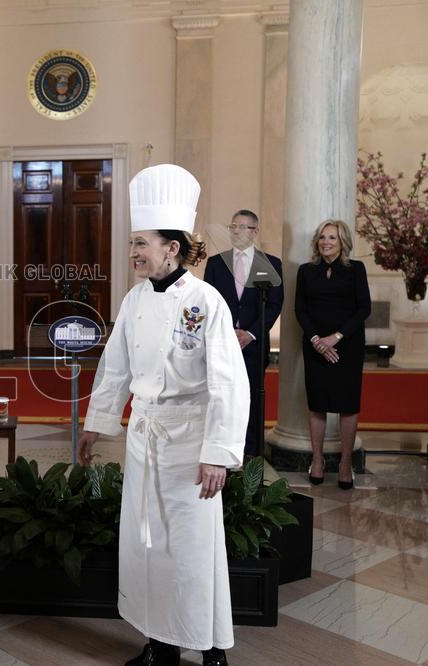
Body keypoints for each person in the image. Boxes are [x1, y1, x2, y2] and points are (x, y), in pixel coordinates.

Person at [77, 165, 249, 666]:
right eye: (133, 243)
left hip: (191, 445)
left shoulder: (205, 301)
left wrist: (218, 454)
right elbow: (115, 368)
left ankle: (210, 647)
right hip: (145, 439)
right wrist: (96, 424)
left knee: (191, 550)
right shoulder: (133, 299)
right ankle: (160, 643)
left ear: (172, 248)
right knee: (147, 547)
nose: (133, 252)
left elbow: (228, 384)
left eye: (141, 243)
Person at [294, 219, 371, 490]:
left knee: (348, 405)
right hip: (315, 346)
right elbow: (300, 309)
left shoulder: (356, 269)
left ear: (342, 242)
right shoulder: (306, 271)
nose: (325, 242)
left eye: (332, 238)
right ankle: (317, 460)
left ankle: (345, 464)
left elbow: (364, 309)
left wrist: (335, 338)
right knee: (317, 403)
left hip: (347, 346)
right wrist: (317, 341)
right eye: (322, 237)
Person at [203, 209, 283, 457]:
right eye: (233, 226)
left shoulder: (270, 264)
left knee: (252, 396)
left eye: (242, 226)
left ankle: (251, 450)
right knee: (222, 395)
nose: (235, 230)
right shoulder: (216, 263)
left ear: (255, 232)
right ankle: (221, 446)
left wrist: (251, 333)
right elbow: (208, 302)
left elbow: (275, 304)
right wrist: (225, 333)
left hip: (253, 345)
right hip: (222, 343)